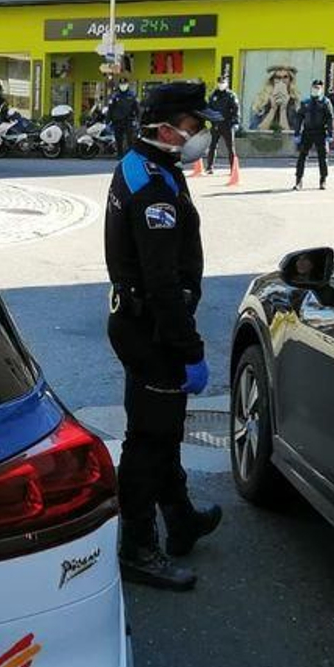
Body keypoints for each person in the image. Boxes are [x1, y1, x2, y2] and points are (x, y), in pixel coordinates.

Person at [105, 80, 224, 591]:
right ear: (166, 128)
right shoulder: (153, 187)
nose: (200, 135)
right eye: (194, 126)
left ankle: (180, 519)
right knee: (148, 442)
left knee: (161, 431)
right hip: (152, 329)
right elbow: (162, 285)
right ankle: (138, 547)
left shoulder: (146, 166)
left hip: (138, 325)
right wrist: (190, 349)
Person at [294, 79, 334, 191]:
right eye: (314, 88)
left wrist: (331, 133)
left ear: (321, 89)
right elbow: (299, 117)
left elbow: (330, 118)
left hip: (320, 132)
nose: (315, 90)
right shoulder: (306, 102)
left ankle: (323, 180)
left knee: (322, 157)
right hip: (307, 132)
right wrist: (297, 132)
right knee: (302, 156)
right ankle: (298, 180)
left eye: (318, 88)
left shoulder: (325, 102)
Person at [201, 75, 240, 174]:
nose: (221, 85)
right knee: (212, 146)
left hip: (227, 124)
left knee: (230, 147)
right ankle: (209, 167)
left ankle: (233, 169)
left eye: (223, 83)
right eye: (219, 83)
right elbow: (208, 109)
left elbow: (236, 109)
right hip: (215, 125)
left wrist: (236, 122)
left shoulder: (231, 95)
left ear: (227, 83)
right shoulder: (213, 95)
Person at [107, 83, 138, 159]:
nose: (123, 86)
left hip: (128, 120)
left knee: (130, 139)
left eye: (124, 84)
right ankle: (119, 154)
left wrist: (138, 119)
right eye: (121, 84)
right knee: (118, 139)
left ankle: (131, 155)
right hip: (117, 121)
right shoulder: (115, 96)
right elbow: (110, 109)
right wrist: (108, 120)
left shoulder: (132, 95)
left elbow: (137, 108)